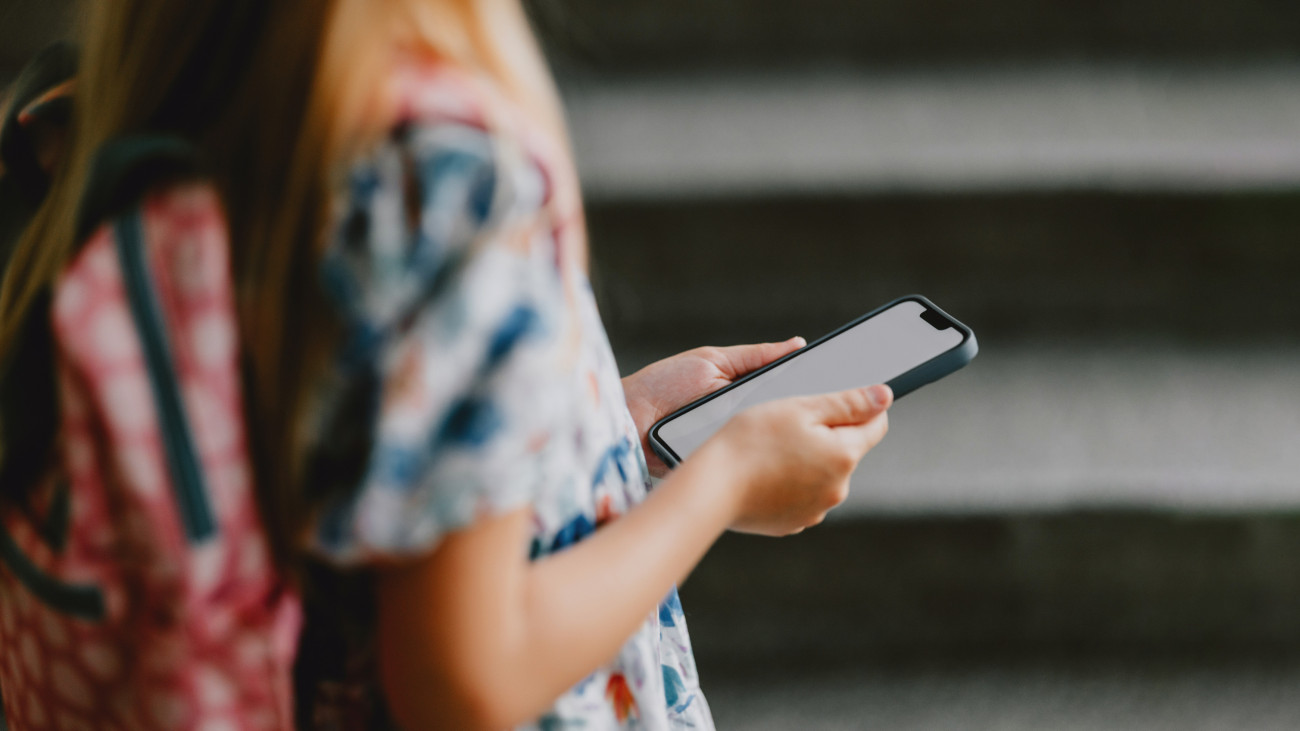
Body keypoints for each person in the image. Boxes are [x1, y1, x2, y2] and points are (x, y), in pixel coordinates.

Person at [0, 0, 893, 728]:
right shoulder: (452, 180)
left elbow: (351, 474)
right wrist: (727, 479)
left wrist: (612, 431)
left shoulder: (183, 113)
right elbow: (465, 678)